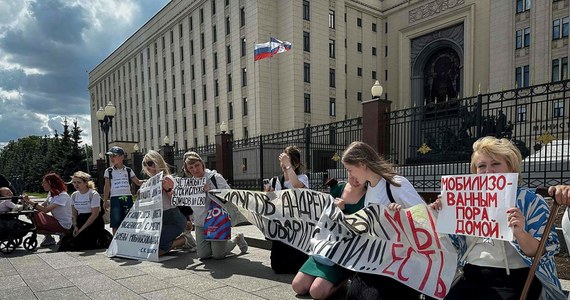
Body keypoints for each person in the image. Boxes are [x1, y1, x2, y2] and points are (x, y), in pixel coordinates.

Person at [431, 137, 565, 299]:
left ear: (512, 168)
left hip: (515, 279)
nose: (488, 171)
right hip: (470, 275)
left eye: (495, 164)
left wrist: (520, 233)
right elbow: (449, 246)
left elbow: (540, 253)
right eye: (481, 166)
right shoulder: (464, 199)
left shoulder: (532, 201)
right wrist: (440, 214)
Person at [341, 141, 427, 300]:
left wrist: (402, 216)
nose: (350, 175)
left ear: (362, 164)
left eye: (350, 170)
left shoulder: (396, 184)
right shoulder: (370, 188)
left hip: (402, 261)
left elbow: (424, 217)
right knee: (353, 294)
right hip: (379, 258)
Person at [292, 174, 366, 299]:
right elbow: (324, 217)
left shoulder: (370, 195)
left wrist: (344, 212)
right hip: (325, 248)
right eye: (350, 172)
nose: (355, 179)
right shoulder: (338, 188)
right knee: (298, 286)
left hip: (344, 254)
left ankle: (344, 278)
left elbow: (362, 229)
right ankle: (326, 279)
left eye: (357, 173)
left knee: (317, 292)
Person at [184, 151, 248, 259]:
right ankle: (212, 243)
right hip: (200, 223)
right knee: (203, 255)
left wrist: (211, 191)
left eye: (197, 165)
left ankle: (237, 238)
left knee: (218, 255)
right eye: (191, 167)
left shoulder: (215, 177)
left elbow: (229, 195)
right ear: (187, 170)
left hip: (217, 220)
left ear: (202, 164)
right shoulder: (190, 184)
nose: (195, 170)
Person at [263, 145, 310, 274]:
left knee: (298, 265)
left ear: (296, 163)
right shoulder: (275, 181)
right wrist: (269, 194)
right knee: (277, 266)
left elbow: (296, 186)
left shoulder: (302, 178)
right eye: (282, 161)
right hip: (281, 227)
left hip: (297, 226)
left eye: (288, 161)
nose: (283, 164)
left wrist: (288, 165)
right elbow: (269, 203)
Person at [141, 150, 190, 256]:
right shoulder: (148, 183)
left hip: (173, 217)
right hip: (158, 219)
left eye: (150, 163)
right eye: (145, 164)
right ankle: (178, 241)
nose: (148, 167)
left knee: (157, 251)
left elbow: (178, 202)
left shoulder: (167, 178)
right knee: (149, 246)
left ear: (157, 161)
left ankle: (184, 239)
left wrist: (168, 190)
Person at [62, 171, 110, 250]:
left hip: (93, 221)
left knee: (86, 242)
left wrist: (81, 229)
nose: (76, 184)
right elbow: (74, 214)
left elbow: (95, 214)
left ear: (85, 183)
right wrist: (75, 226)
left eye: (79, 182)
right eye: (74, 182)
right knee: (68, 243)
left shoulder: (93, 194)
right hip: (80, 220)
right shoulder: (74, 195)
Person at [22, 173, 72, 247]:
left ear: (51, 183)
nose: (42, 185)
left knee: (35, 214)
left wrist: (30, 201)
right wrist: (27, 204)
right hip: (57, 220)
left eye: (44, 182)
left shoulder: (62, 195)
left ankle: (63, 233)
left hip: (64, 224)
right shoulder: (51, 193)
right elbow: (42, 205)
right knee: (33, 214)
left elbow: (46, 210)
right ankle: (49, 237)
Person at [103, 146, 143, 234]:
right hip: (115, 198)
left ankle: (128, 240)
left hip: (127, 198)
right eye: (110, 156)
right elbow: (107, 186)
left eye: (114, 156)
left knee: (129, 220)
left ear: (121, 157)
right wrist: (105, 200)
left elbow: (137, 182)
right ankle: (115, 242)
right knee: (115, 222)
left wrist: (150, 181)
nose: (111, 158)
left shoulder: (128, 170)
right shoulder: (109, 171)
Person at [176, 151, 199, 252]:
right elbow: (182, 201)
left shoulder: (206, 175)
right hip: (190, 209)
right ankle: (189, 240)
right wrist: (187, 218)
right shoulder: (182, 178)